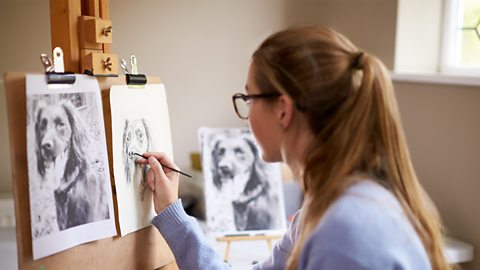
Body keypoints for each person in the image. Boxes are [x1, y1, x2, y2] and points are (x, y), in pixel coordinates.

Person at [136, 26, 451, 270]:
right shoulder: (322, 206)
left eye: (248, 98)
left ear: (283, 110)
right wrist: (171, 210)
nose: (245, 112)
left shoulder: (344, 228)